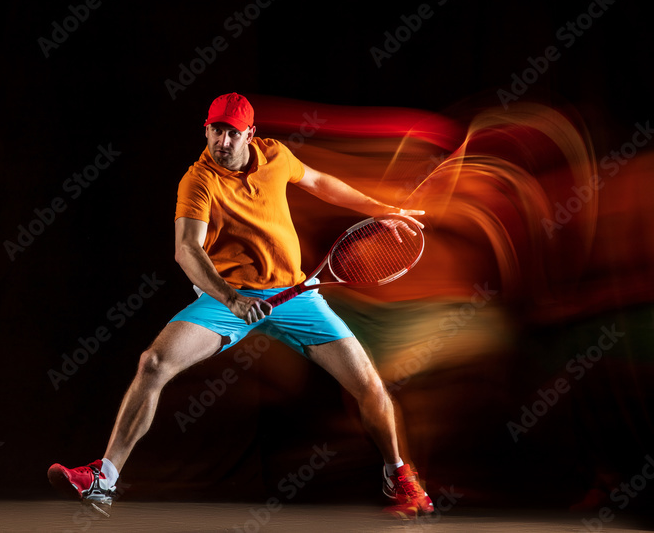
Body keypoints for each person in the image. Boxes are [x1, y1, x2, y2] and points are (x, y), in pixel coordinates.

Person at [48, 93, 433, 518]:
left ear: (251, 134)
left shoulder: (276, 156)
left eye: (234, 132)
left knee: (369, 385)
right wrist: (232, 298)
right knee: (154, 363)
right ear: (206, 130)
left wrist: (381, 210)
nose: (224, 141)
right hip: (226, 297)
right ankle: (104, 477)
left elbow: (321, 183)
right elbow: (187, 250)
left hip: (296, 297)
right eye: (217, 130)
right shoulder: (197, 181)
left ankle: (399, 477)